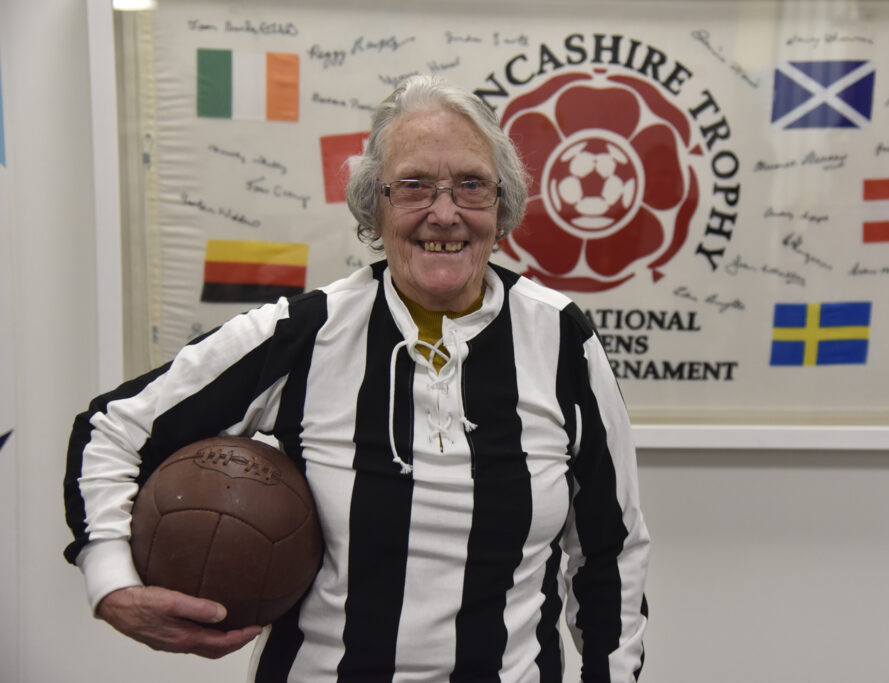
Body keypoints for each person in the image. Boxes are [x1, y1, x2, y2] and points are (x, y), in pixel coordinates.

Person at [64, 73, 650, 681]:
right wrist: (110, 579)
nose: (443, 214)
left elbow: (612, 547)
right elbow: (110, 429)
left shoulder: (563, 340)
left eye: (471, 186)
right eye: (414, 186)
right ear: (376, 204)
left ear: (501, 206)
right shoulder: (304, 333)